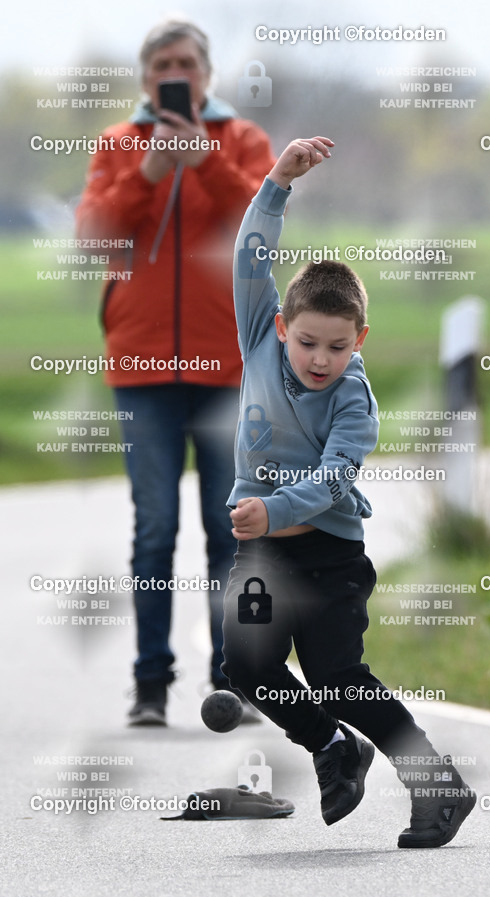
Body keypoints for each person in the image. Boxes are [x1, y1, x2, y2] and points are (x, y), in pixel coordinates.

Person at [220, 137, 476, 847]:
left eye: (337, 346)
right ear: (281, 327)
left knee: (337, 677)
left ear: (359, 339)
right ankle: (333, 746)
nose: (320, 359)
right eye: (307, 342)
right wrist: (277, 182)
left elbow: (334, 478)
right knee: (247, 667)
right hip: (262, 555)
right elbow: (249, 258)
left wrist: (272, 508)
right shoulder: (259, 341)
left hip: (328, 559)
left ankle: (437, 784)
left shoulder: (353, 402)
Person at [75, 19, 275, 726]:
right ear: (145, 77)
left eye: (187, 61)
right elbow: (92, 235)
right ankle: (151, 685)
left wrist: (204, 161)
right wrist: (150, 170)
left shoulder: (241, 139)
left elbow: (261, 221)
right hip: (142, 366)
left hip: (228, 366)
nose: (176, 73)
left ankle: (234, 680)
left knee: (232, 528)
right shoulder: (118, 144)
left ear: (207, 73)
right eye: (163, 63)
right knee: (155, 527)